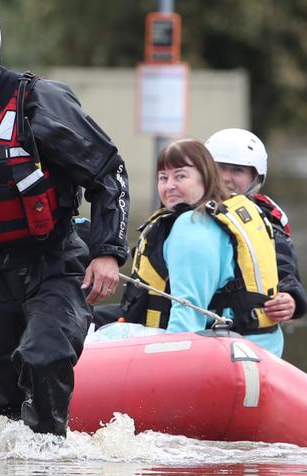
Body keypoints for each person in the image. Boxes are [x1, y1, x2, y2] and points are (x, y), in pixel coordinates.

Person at [0, 0, 130, 436]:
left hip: (51, 260)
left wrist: (107, 253)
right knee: (1, 389)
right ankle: (13, 470)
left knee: (43, 355)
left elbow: (109, 174)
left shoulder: (40, 103)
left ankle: (50, 458)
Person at [117, 138, 285, 356]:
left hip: (224, 358)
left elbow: (188, 312)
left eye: (180, 176)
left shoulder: (193, 228)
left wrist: (168, 363)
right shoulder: (226, 214)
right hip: (261, 350)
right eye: (163, 178)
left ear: (205, 179)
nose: (170, 186)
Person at [205, 128, 307, 324]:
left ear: (255, 177)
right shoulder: (187, 213)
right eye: (220, 168)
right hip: (192, 320)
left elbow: (284, 267)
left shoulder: (265, 218)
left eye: (237, 170)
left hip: (241, 327)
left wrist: (290, 297)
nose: (226, 178)